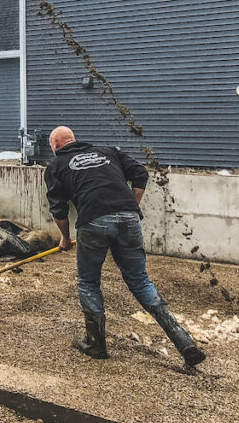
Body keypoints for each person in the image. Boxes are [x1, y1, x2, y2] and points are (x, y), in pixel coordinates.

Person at [44, 126, 205, 367]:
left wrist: (65, 238)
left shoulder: (56, 166)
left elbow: (58, 209)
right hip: (129, 219)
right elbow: (140, 174)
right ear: (73, 140)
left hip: (93, 222)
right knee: (140, 280)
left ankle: (95, 343)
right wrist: (131, 205)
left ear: (55, 145)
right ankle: (184, 342)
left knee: (89, 282)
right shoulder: (109, 151)